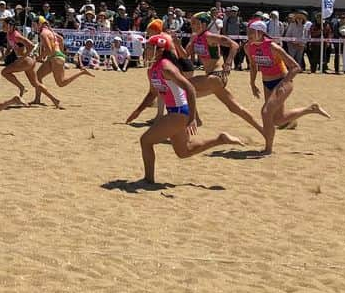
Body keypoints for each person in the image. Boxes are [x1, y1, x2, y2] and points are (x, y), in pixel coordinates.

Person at [129, 35, 244, 185]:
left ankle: (148, 180)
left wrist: (192, 117)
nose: (146, 50)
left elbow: (189, 88)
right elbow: (152, 93)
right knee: (184, 151)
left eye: (150, 47)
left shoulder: (166, 67)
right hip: (174, 112)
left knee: (145, 141)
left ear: (159, 50)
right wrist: (138, 111)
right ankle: (220, 139)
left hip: (179, 112)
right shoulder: (152, 69)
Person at [245, 21, 330, 153]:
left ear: (260, 32)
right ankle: (311, 109)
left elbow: (296, 67)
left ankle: (268, 149)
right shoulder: (248, 47)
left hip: (283, 81)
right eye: (248, 31)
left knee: (266, 112)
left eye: (251, 31)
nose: (248, 34)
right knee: (278, 120)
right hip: (267, 83)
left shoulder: (273, 47)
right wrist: (252, 83)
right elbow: (253, 66)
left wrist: (282, 84)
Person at [0, 16, 60, 107]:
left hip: (26, 61)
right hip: (28, 61)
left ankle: (22, 87)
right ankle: (54, 100)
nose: (2, 27)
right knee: (35, 83)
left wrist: (22, 58)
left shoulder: (16, 35)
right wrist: (6, 54)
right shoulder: (9, 34)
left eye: (4, 25)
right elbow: (10, 47)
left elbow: (31, 45)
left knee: (4, 72)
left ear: (10, 26)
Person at [35, 18, 89, 88]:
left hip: (55, 57)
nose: (33, 27)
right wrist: (61, 52)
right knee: (38, 76)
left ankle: (81, 72)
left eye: (34, 25)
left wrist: (38, 58)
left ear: (40, 24)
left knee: (61, 83)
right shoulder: (50, 31)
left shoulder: (43, 33)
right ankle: (37, 99)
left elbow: (49, 50)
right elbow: (61, 39)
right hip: (55, 57)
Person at [186, 12, 237, 77]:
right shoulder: (196, 37)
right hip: (209, 74)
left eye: (194, 23)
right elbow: (185, 55)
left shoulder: (210, 36)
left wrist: (228, 63)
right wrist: (178, 44)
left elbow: (234, 45)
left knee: (189, 84)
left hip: (217, 74)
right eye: (191, 23)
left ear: (203, 24)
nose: (191, 26)